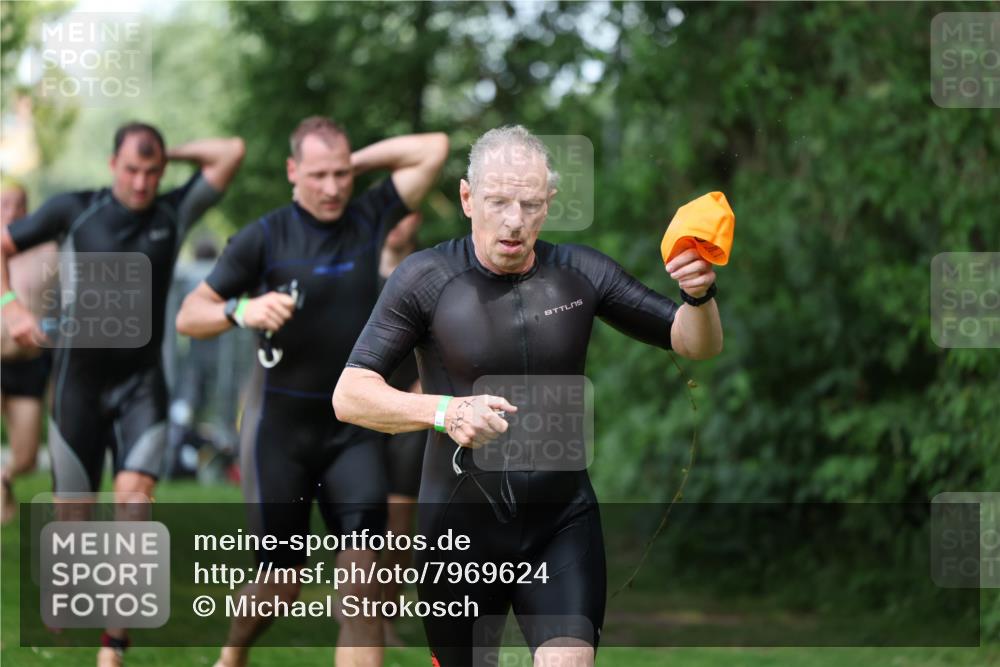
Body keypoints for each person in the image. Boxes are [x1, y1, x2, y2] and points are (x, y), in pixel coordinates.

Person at [333, 125, 724, 667]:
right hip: (459, 529)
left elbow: (693, 342)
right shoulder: (426, 277)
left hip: (561, 521)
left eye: (531, 204)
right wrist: (446, 411)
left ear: (550, 203)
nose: (515, 221)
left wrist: (698, 295)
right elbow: (350, 394)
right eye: (498, 202)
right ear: (468, 198)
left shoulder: (580, 273)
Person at [175, 116, 447, 667]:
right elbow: (189, 315)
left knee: (364, 585)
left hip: (353, 431)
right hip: (282, 434)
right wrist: (241, 309)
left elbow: (433, 148)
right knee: (281, 584)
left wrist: (352, 164)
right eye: (318, 175)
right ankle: (233, 654)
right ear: (292, 171)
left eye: (340, 174)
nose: (332, 188)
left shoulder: (367, 217)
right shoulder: (264, 237)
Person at [0, 122, 245, 667]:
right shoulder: (73, 209)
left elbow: (232, 150)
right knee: (74, 518)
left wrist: (168, 151)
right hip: (78, 385)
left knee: (134, 504)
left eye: (152, 171)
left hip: (141, 386)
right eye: (132, 169)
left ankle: (113, 645)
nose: (141, 182)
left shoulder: (172, 212)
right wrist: (9, 306)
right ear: (113, 164)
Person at [376, 211, 426, 647]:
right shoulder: (354, 271)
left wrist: (422, 391)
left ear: (417, 220)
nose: (396, 223)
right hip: (359, 414)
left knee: (398, 523)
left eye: (404, 213)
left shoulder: (427, 273)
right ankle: (356, 607)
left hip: (410, 413)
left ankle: (385, 618)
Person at [0, 180, 57, 523]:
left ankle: (4, 477)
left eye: (19, 204)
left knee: (27, 459)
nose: (12, 211)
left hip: (29, 364)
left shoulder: (47, 251)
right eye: (4, 204)